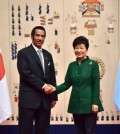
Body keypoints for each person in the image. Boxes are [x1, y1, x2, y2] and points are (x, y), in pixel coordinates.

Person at [46, 36, 104, 134]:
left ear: (87, 49)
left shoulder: (93, 64)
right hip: (75, 105)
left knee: (90, 131)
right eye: (76, 48)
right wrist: (55, 89)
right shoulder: (71, 65)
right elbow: (67, 83)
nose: (79, 50)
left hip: (90, 104)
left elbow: (96, 85)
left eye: (82, 48)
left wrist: (95, 103)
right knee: (79, 131)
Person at [17, 26, 57, 134]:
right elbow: (25, 73)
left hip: (45, 101)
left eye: (42, 36)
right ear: (32, 36)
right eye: (37, 35)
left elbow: (52, 76)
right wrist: (44, 86)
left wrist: (54, 96)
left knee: (43, 131)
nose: (40, 38)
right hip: (28, 101)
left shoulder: (48, 55)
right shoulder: (23, 53)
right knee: (25, 131)